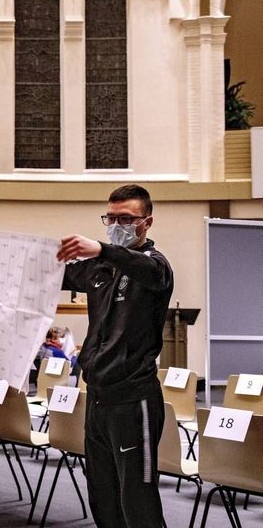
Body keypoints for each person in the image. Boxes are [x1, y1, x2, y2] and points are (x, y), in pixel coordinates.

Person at [56, 183, 173, 527]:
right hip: (97, 399)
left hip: (133, 399)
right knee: (103, 497)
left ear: (146, 222)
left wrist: (102, 249)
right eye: (111, 217)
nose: (116, 224)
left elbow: (145, 269)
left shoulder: (155, 266)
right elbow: (45, 271)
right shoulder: (98, 269)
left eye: (126, 218)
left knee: (137, 501)